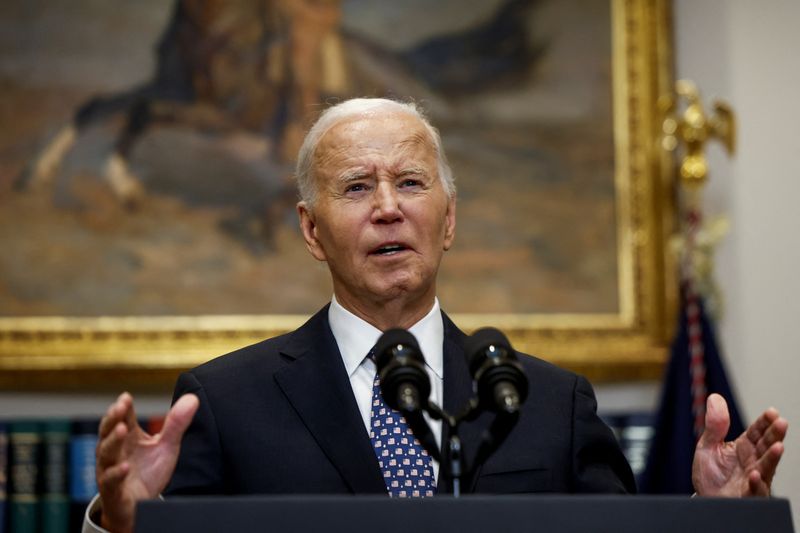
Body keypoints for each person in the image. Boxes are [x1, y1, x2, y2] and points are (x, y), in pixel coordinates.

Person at [86, 98, 788, 533]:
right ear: (310, 229)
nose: (388, 206)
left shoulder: (550, 402)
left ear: (447, 220)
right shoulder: (224, 401)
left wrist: (711, 517)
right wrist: (121, 525)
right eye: (357, 186)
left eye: (411, 183)